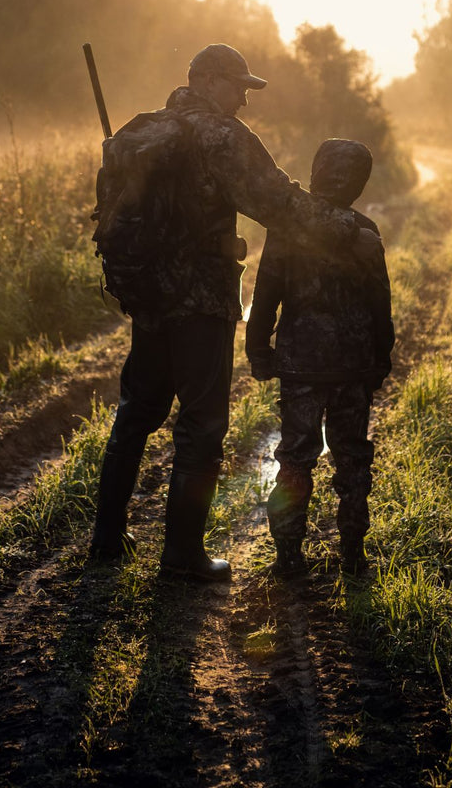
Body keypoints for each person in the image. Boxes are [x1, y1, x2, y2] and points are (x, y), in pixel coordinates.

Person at [89, 44, 381, 581]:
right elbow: (280, 203)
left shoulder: (141, 129)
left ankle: (107, 538)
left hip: (148, 297)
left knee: (137, 410)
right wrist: (347, 230)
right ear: (206, 80)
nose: (244, 102)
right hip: (200, 302)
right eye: (238, 87)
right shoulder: (220, 135)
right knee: (202, 424)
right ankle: (182, 556)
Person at [245, 138, 395, 578]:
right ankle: (353, 554)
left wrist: (259, 350)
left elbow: (266, 293)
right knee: (351, 458)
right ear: (360, 183)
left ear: (315, 172)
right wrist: (380, 359)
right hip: (352, 366)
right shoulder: (364, 231)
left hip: (300, 364)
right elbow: (379, 304)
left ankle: (288, 556)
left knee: (295, 458)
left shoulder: (289, 229)